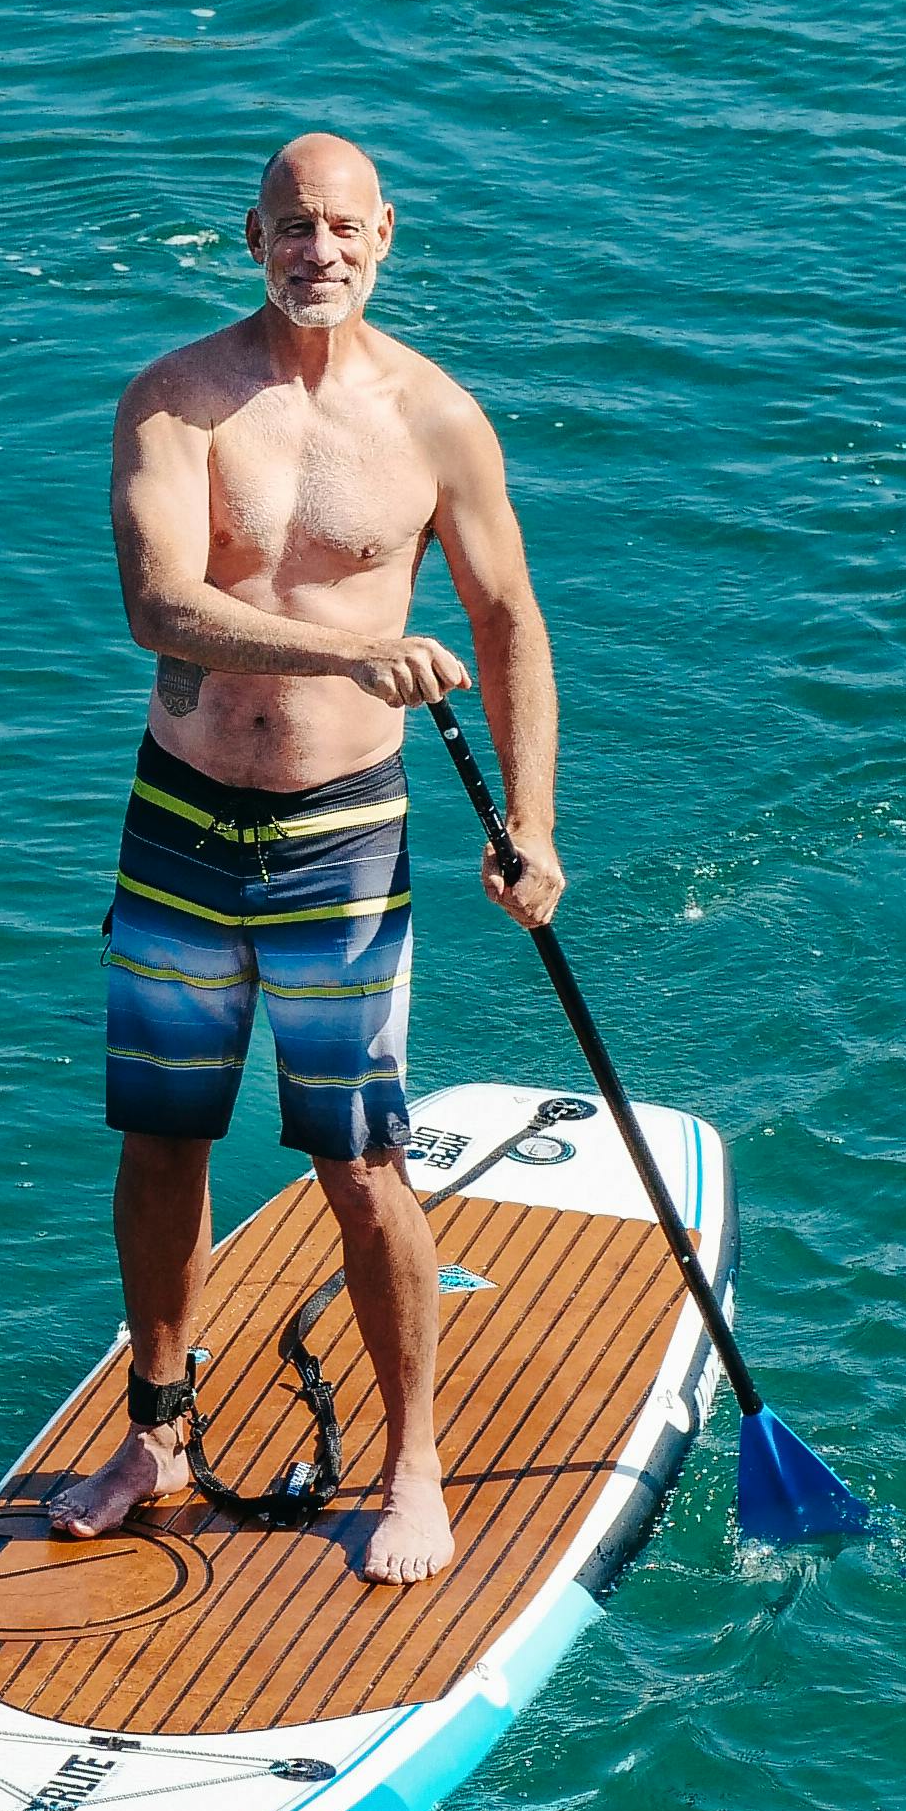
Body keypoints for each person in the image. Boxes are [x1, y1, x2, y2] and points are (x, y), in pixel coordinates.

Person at [47, 131, 564, 1588]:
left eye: (341, 227)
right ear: (252, 235)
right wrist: (357, 644)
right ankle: (159, 1431)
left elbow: (513, 621)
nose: (316, 251)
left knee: (361, 1161)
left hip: (342, 838)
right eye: (290, 226)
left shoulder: (438, 423)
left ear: (384, 235)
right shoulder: (178, 401)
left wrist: (531, 826)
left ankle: (413, 1464)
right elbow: (160, 604)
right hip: (183, 822)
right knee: (163, 1143)